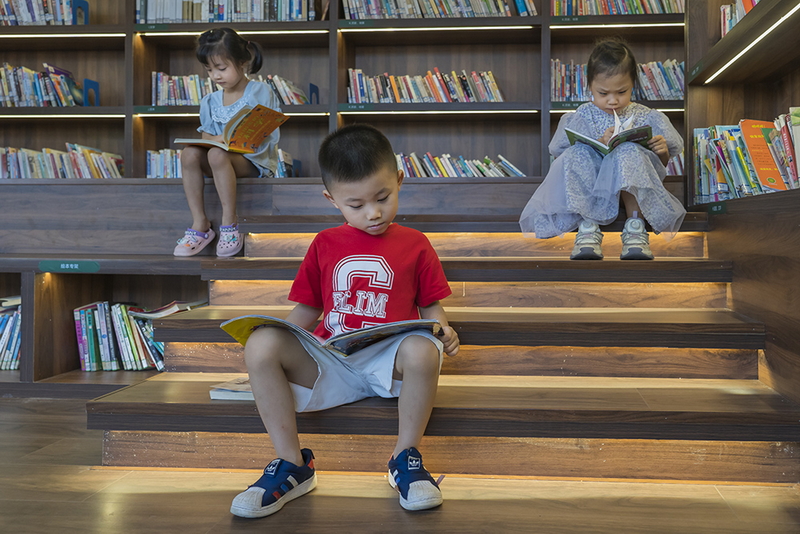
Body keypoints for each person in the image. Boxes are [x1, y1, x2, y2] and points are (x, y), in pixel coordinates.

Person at [230, 124, 461, 518]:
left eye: (383, 198)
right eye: (355, 204)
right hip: (332, 362)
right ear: (331, 199)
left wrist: (444, 330)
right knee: (262, 341)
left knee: (424, 347)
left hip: (389, 364)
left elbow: (431, 307)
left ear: (399, 180)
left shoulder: (416, 244)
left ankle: (405, 457)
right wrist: (271, 347)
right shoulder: (324, 244)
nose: (373, 213)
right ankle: (292, 464)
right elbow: (306, 311)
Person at [519, 39, 686, 260]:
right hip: (594, 188)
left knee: (628, 150)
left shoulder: (646, 116)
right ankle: (588, 226)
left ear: (633, 84)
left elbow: (658, 168)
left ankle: (635, 227)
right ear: (590, 86)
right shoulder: (582, 115)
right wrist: (598, 141)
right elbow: (561, 157)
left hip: (632, 189)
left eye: (622, 91)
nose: (613, 100)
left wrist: (661, 151)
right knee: (577, 152)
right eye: (603, 93)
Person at [174, 27, 281, 258]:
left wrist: (226, 141)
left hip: (253, 160)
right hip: (220, 158)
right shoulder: (210, 100)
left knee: (216, 154)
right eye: (209, 70)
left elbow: (264, 129)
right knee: (189, 154)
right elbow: (205, 136)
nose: (215, 76)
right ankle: (200, 224)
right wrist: (221, 139)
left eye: (221, 68)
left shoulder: (259, 91)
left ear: (242, 62)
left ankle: (230, 223)